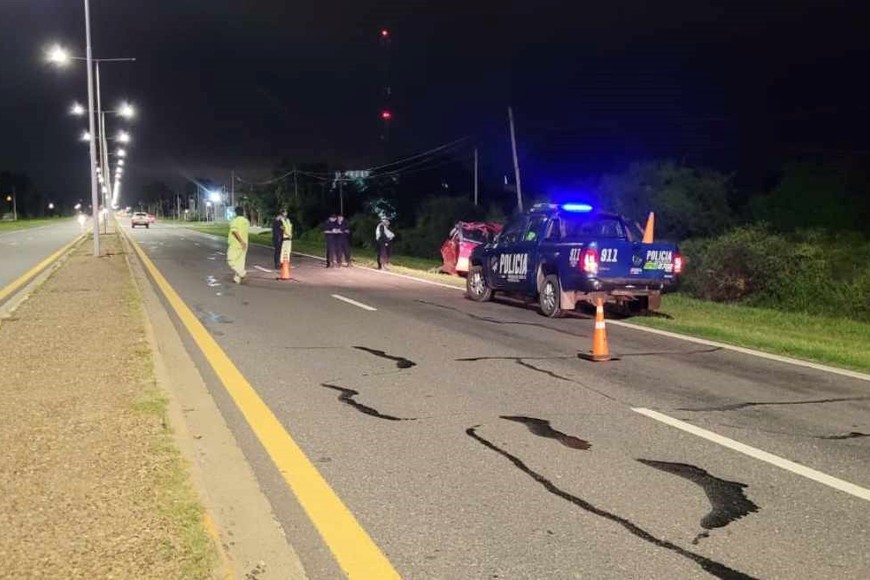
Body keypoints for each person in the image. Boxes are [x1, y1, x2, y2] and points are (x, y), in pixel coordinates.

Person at [227, 206, 250, 284]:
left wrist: (241, 242)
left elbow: (234, 231)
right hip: (245, 244)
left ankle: (241, 273)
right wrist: (243, 243)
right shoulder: (246, 221)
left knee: (231, 260)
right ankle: (237, 279)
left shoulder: (235, 221)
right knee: (240, 262)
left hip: (236, 244)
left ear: (235, 213)